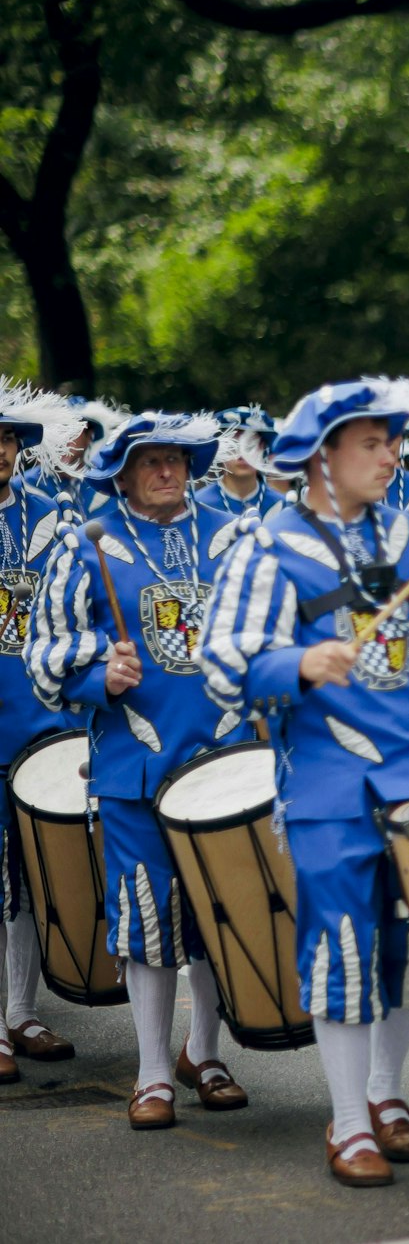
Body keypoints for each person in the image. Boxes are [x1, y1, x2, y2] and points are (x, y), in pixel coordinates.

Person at [198, 376, 409, 1187]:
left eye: (390, 442)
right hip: (327, 779)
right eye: (372, 444)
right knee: (341, 945)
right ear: (323, 457)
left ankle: (386, 1093)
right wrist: (297, 660)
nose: (389, 457)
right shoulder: (267, 546)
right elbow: (224, 660)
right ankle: (348, 1125)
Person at [26, 412, 256, 1131]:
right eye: (150, 460)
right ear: (121, 472)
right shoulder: (84, 541)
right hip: (136, 764)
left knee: (221, 908)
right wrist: (100, 671)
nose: (167, 470)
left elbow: (272, 630)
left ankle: (205, 1052)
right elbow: (44, 651)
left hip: (225, 758)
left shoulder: (233, 534)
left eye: (178, 459)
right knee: (148, 917)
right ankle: (153, 1071)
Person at [0, 384, 84, 1080]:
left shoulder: (54, 514)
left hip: (41, 724)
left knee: (27, 876)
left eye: (7, 438)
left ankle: (20, 1013)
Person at [195, 405, 288, 519]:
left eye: (250, 447)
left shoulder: (282, 505)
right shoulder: (199, 504)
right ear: (220, 450)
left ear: (263, 449)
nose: (242, 456)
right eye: (233, 446)